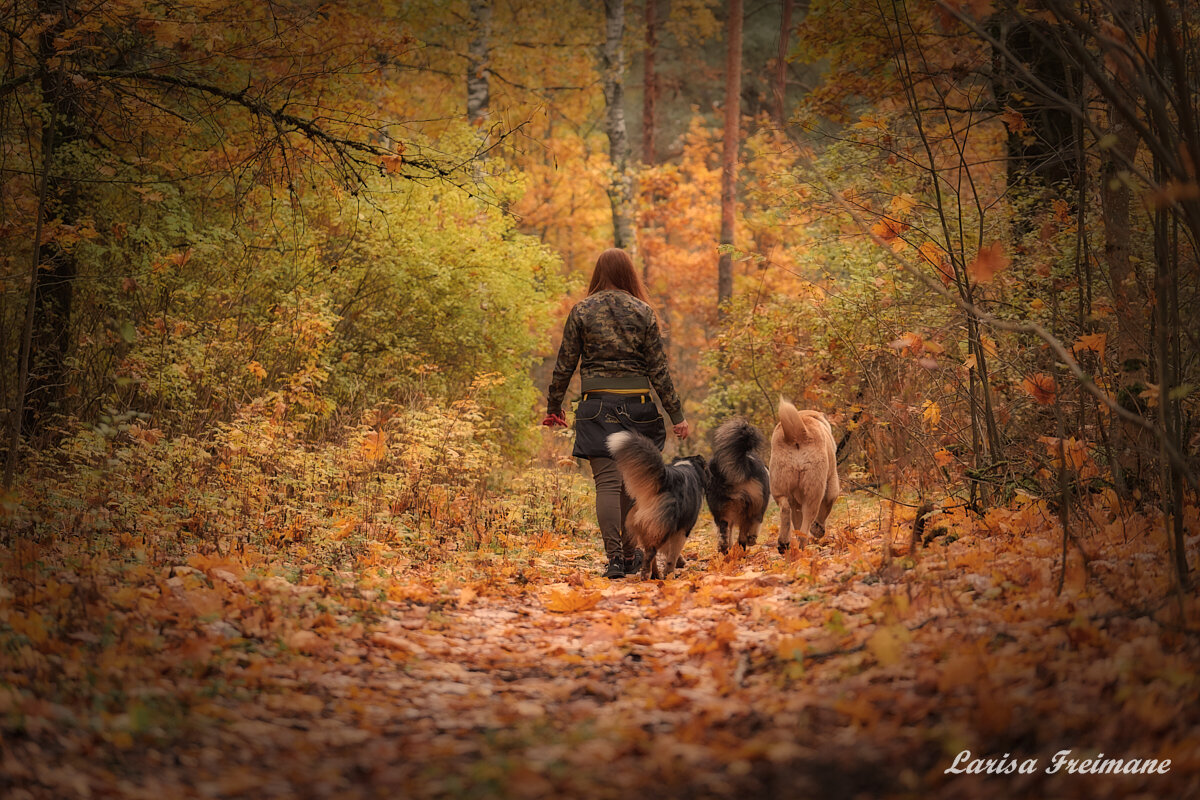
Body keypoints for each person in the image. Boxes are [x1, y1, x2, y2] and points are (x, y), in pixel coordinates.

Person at [542, 248, 689, 578]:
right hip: (638, 407)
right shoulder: (643, 312)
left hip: (596, 406)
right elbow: (658, 370)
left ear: (598, 273)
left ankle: (617, 560)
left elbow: (565, 365)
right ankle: (629, 554)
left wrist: (555, 407)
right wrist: (676, 414)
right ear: (628, 274)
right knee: (630, 486)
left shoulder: (581, 311)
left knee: (607, 485)